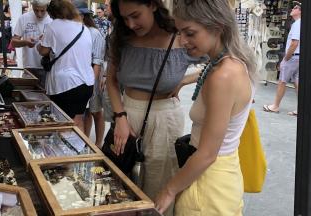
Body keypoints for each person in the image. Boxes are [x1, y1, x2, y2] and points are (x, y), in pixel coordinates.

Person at [154, 0, 257, 215]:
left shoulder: (223, 75)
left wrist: (169, 190)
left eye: (190, 33)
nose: (183, 41)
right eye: (181, 33)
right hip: (223, 176)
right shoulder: (233, 63)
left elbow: (208, 153)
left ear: (217, 27)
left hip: (208, 185)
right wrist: (185, 80)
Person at [107, 0, 199, 215]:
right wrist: (120, 116)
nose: (130, 24)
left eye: (136, 15)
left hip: (164, 117)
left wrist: (185, 80)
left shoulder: (180, 36)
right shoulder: (121, 38)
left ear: (153, 5)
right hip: (126, 113)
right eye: (125, 17)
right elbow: (111, 80)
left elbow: (219, 60)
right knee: (120, 180)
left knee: (160, 184)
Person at [37, 0, 94, 132]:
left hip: (66, 84)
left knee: (63, 123)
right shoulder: (83, 27)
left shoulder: (53, 26)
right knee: (78, 121)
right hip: (86, 83)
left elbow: (43, 51)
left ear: (52, 13)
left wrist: (40, 43)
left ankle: (65, 151)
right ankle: (81, 150)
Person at [73, 0, 106, 148]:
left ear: (83, 15)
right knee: (85, 111)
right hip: (80, 77)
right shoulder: (74, 31)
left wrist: (91, 83)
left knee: (96, 111)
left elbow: (97, 61)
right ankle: (85, 141)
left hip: (93, 76)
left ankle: (98, 144)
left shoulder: (94, 33)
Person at [263, 1, 301, 116]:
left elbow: (294, 43)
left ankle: (275, 106)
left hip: (293, 57)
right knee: (297, 81)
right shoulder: (299, 24)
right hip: (297, 57)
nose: (292, 9)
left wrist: (286, 58)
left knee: (282, 81)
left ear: (300, 11)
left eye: (295, 8)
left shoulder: (297, 24)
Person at [11, 0, 52, 88]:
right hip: (29, 66)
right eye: (36, 10)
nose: (39, 14)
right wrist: (25, 42)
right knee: (28, 95)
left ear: (47, 7)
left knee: (44, 98)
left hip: (47, 67)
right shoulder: (24, 18)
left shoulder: (52, 19)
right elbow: (13, 43)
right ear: (32, 7)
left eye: (42, 11)